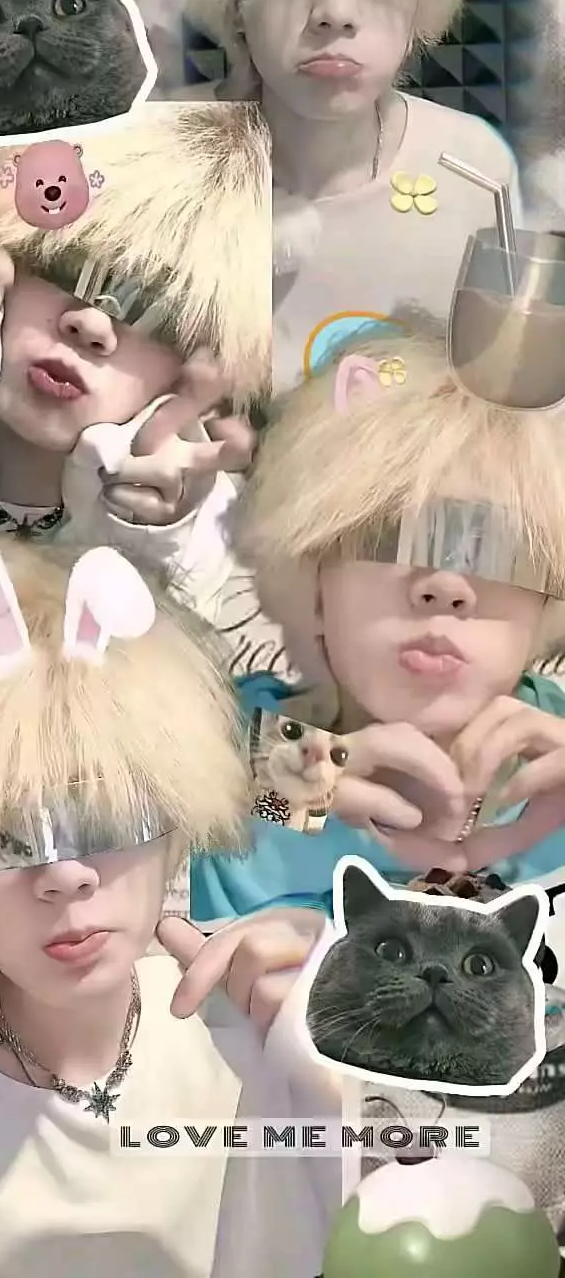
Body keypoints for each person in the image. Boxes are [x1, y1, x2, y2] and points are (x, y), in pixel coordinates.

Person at [0, 512, 336, 1278]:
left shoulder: (249, 1021)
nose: (67, 877)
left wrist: (341, 1067)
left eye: (109, 817)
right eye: (7, 837)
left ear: (174, 829)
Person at [190, 319, 565, 924]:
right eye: (391, 534)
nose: (444, 587)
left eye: (495, 545)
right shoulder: (206, 739)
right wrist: (295, 790)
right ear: (313, 573)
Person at [0, 102, 271, 629]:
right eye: (63, 264)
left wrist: (151, 558)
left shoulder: (241, 558)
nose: (90, 324)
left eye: (157, 311)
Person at [160, 0, 524, 388]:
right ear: (236, 1)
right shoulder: (153, 151)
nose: (335, 12)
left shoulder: (472, 167)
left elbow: (502, 394)